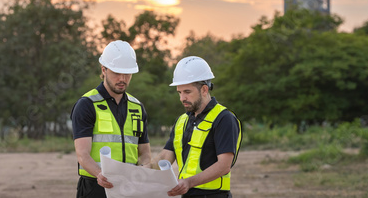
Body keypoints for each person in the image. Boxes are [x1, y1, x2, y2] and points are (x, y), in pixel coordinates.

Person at [71, 40, 152, 198]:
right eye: (117, 72)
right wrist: (100, 174)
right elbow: (82, 154)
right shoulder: (87, 104)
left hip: (129, 188)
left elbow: (144, 153)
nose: (122, 78)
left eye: (127, 73)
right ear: (104, 69)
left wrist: (144, 170)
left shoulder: (137, 107)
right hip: (95, 188)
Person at [153, 56, 242, 198]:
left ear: (204, 90)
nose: (182, 98)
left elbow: (224, 165)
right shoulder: (181, 121)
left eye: (187, 92)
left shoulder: (224, 119)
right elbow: (165, 156)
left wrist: (188, 182)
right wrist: (138, 173)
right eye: (179, 92)